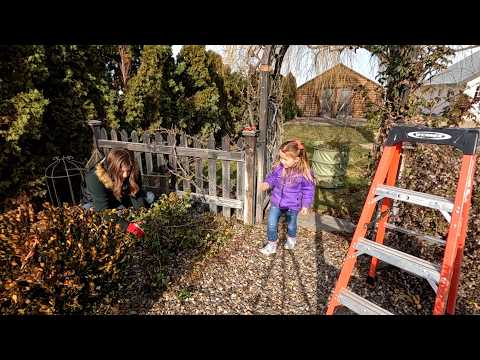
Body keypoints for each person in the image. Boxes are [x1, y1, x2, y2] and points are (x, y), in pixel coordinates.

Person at [259, 139, 315, 255]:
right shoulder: (279, 168)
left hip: (292, 205)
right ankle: (271, 245)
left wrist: (305, 205)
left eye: (285, 159)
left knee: (291, 225)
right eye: (281, 158)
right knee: (271, 223)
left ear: (297, 159)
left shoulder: (303, 172)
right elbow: (272, 178)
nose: (282, 161)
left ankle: (291, 239)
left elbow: (308, 189)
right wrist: (267, 184)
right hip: (276, 202)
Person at [85, 148, 152, 236]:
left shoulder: (132, 171)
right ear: (113, 168)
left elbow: (136, 195)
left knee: (151, 196)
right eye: (121, 171)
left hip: (119, 198)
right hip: (96, 204)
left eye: (128, 170)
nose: (125, 175)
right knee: (97, 220)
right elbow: (103, 211)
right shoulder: (95, 178)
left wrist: (142, 216)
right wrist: (128, 226)